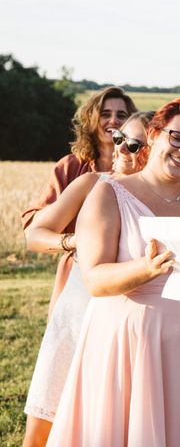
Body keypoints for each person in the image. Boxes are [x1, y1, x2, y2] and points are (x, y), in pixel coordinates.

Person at [46, 98, 180, 446]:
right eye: (177, 138)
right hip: (127, 350)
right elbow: (94, 278)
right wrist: (145, 269)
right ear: (154, 135)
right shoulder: (109, 194)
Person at [22, 112, 153, 447]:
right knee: (46, 425)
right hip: (80, 308)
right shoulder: (93, 183)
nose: (121, 149)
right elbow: (36, 232)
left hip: (126, 324)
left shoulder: (165, 199)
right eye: (120, 138)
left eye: (134, 144)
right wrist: (75, 241)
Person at [21, 86, 137, 317]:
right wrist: (77, 238)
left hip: (127, 275)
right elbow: (34, 227)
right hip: (80, 272)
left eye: (121, 115)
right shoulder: (72, 168)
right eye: (105, 114)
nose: (113, 120)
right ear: (92, 120)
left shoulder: (142, 171)